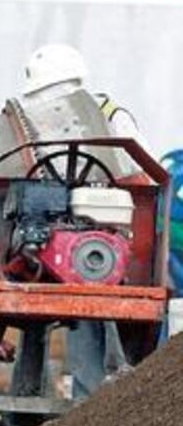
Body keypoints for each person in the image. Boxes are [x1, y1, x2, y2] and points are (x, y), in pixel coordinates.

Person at [20, 43, 145, 399]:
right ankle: (86, 406)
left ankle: (129, 397)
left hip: (118, 237)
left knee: (126, 328)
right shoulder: (35, 130)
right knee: (81, 324)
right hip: (60, 246)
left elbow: (144, 178)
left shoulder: (113, 118)